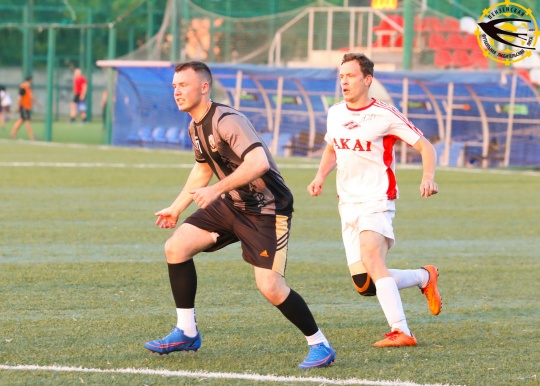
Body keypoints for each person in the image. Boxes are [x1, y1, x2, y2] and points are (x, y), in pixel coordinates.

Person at [144, 61, 335, 369]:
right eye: (175, 86)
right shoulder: (195, 126)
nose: (177, 91)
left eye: (184, 85)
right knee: (176, 247)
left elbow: (259, 163)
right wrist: (176, 207)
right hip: (233, 203)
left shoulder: (228, 120)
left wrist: (217, 190)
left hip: (267, 210)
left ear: (204, 87)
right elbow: (203, 168)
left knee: (270, 286)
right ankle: (187, 331)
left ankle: (319, 344)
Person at [307, 53, 441, 348]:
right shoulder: (335, 112)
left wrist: (427, 177)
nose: (344, 81)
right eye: (341, 76)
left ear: (367, 80)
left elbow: (426, 146)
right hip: (347, 204)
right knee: (365, 284)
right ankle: (423, 277)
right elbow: (332, 148)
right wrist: (320, 176)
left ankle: (402, 331)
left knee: (372, 258)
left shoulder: (385, 114)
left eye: (351, 76)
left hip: (377, 199)